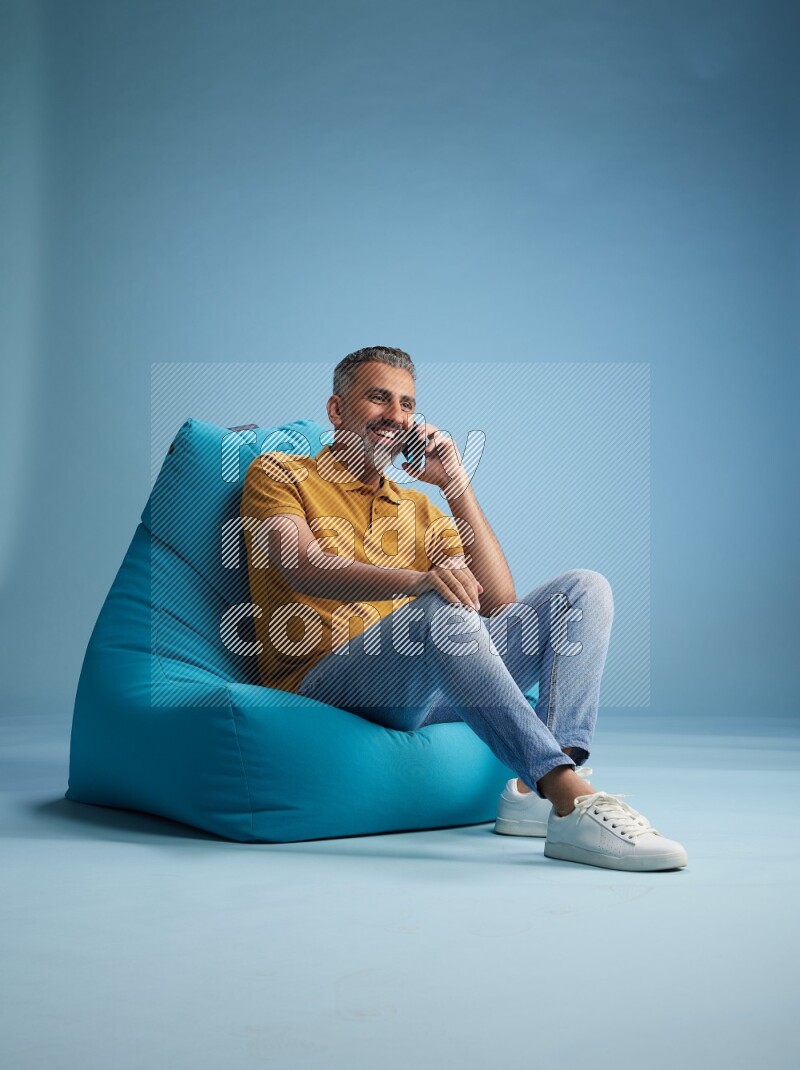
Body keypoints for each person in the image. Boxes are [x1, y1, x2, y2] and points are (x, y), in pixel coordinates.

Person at [240, 346, 687, 872]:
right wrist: (421, 579)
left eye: (407, 404)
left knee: (583, 590)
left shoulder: (416, 507)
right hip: (323, 682)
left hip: (416, 683)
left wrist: (454, 483)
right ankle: (570, 797)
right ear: (337, 410)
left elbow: (497, 602)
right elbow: (299, 564)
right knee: (439, 608)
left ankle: (530, 792)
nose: (397, 415)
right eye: (378, 398)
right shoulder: (280, 472)